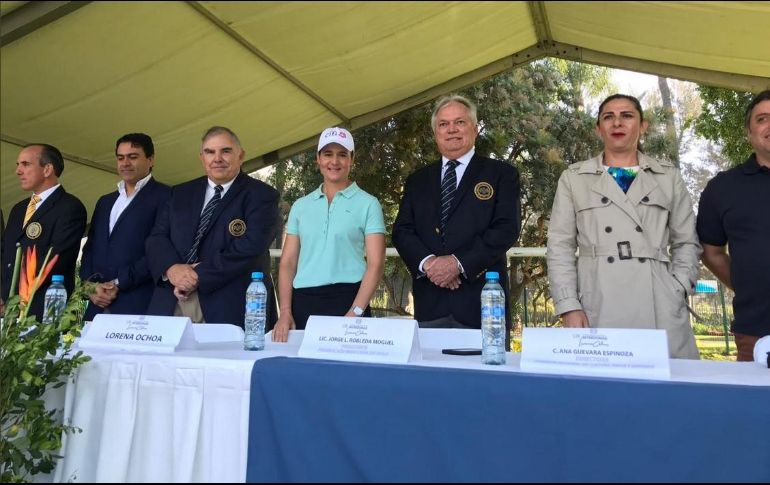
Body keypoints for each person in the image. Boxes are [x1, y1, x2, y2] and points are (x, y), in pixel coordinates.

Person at [547, 94, 700, 359]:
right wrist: (568, 304)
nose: (617, 123)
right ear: (598, 129)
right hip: (597, 301)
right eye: (608, 117)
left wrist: (679, 287)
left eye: (627, 116)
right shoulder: (574, 178)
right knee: (604, 381)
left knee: (669, 381)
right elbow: (559, 246)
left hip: (660, 302)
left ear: (643, 126)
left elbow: (686, 241)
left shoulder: (668, 177)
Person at [392, 94, 521, 342]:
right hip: (430, 303)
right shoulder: (417, 181)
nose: (451, 129)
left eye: (460, 122)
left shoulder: (501, 174)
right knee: (431, 369)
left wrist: (457, 263)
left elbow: (506, 228)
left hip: (483, 306)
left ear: (475, 129)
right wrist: (430, 264)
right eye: (443, 124)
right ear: (435, 133)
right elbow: (402, 230)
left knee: (486, 369)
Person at [146, 126, 280, 328]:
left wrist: (196, 275)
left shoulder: (262, 195)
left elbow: (251, 247)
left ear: (241, 155)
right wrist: (172, 270)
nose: (217, 159)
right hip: (172, 300)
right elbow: (156, 238)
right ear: (202, 157)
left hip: (227, 304)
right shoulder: (180, 193)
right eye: (210, 152)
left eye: (225, 151)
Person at [271, 128, 386, 342]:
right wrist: (285, 312)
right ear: (318, 159)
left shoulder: (369, 204)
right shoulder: (300, 206)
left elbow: (376, 263)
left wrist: (356, 312)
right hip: (303, 302)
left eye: (342, 154)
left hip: (350, 300)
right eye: (328, 154)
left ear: (352, 159)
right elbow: (287, 263)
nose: (334, 161)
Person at [697, 90, 770, 362]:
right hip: (756, 333)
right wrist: (746, 284)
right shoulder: (722, 188)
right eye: (762, 119)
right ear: (749, 133)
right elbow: (711, 252)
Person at [80, 133, 172, 320]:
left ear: (151, 159)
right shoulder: (105, 202)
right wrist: (90, 286)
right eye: (120, 158)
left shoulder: (167, 196)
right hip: (97, 305)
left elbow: (161, 250)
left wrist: (119, 282)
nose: (125, 163)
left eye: (133, 157)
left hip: (140, 304)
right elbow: (90, 249)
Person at [1, 143, 87, 321]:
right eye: (18, 165)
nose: (18, 171)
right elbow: (5, 251)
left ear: (47, 169)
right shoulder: (19, 209)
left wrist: (16, 293)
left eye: (25, 164)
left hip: (44, 307)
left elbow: (56, 258)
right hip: (8, 307)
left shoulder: (69, 207)